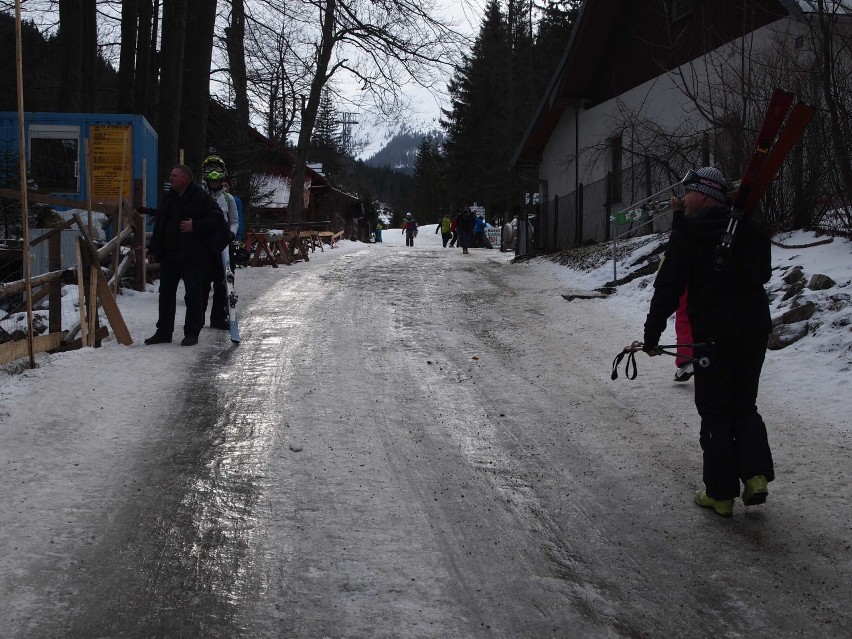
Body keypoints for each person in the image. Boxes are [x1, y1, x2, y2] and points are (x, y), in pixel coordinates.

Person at [642, 166, 774, 517]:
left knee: (715, 410)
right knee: (744, 404)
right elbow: (763, 274)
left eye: (688, 193)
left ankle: (720, 494)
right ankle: (756, 476)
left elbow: (668, 286)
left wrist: (651, 336)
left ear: (704, 195)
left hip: (713, 336)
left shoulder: (691, 232)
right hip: (753, 330)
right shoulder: (751, 226)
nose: (683, 200)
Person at [141, 165, 228, 346]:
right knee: (165, 293)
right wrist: (153, 250)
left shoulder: (201, 198)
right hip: (170, 255)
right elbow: (161, 225)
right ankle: (164, 331)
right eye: (171, 175)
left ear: (185, 179)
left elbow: (217, 218)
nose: (170, 178)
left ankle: (191, 333)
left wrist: (195, 225)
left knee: (193, 295)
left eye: (174, 175)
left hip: (193, 256)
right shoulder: (170, 197)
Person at [201, 166, 239, 329]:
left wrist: (231, 233)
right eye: (212, 181)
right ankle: (197, 317)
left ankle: (218, 317)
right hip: (205, 244)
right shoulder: (202, 197)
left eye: (217, 181)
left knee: (222, 282)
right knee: (202, 282)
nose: (214, 184)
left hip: (222, 245)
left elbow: (234, 220)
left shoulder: (228, 198)